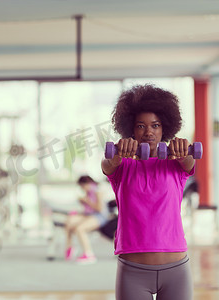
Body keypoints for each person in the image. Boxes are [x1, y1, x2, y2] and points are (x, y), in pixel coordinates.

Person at [101, 84, 195, 300]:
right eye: (141, 126)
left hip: (176, 270)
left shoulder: (175, 165)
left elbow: (189, 162)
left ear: (164, 129)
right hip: (133, 271)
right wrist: (117, 155)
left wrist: (182, 151)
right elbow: (107, 164)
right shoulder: (122, 166)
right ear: (131, 130)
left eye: (156, 125)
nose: (149, 131)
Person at [64, 175, 108, 264]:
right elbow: (88, 210)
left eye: (82, 186)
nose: (82, 189)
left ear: (88, 184)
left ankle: (89, 254)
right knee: (69, 221)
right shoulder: (88, 192)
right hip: (89, 215)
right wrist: (83, 202)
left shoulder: (97, 191)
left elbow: (99, 209)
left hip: (99, 216)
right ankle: (70, 247)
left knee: (80, 229)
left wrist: (87, 201)